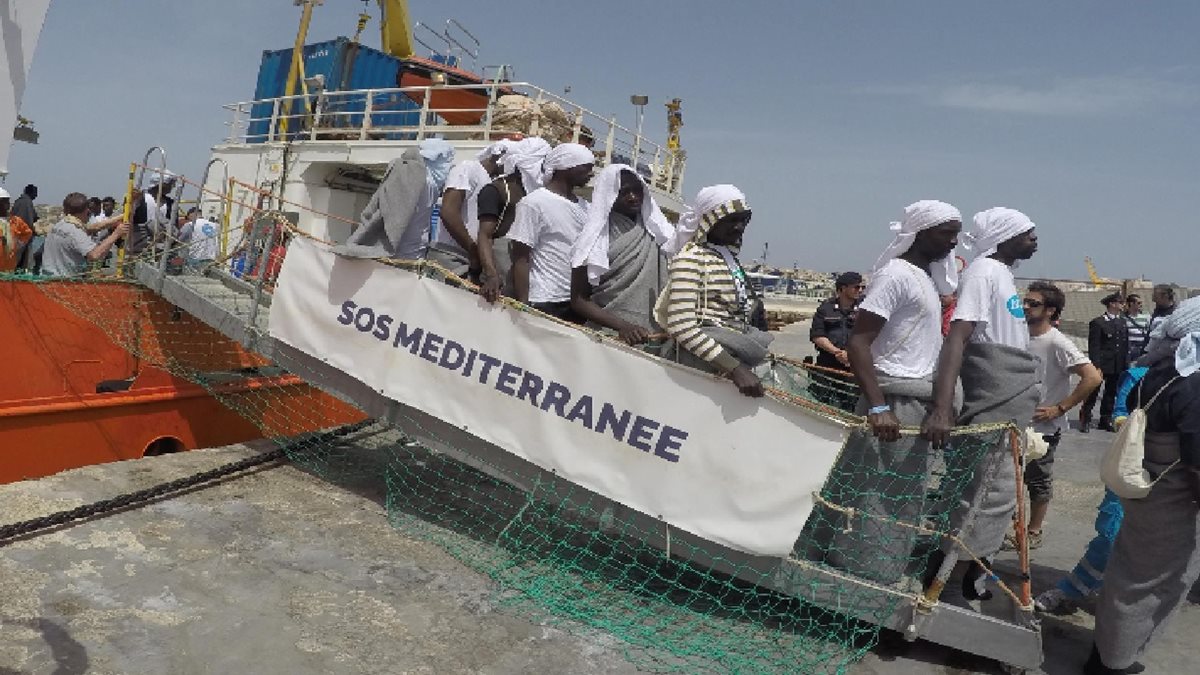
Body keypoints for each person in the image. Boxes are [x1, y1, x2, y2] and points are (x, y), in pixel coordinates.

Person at [807, 200, 962, 582]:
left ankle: (875, 564)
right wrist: (878, 408)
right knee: (878, 494)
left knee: (899, 495)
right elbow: (860, 344)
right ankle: (865, 570)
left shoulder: (924, 278)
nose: (953, 242)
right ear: (922, 232)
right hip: (893, 400)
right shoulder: (896, 275)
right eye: (947, 233)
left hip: (912, 399)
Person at [922, 207, 1042, 606]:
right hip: (994, 398)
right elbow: (959, 336)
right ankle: (946, 583)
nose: (1035, 239)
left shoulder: (1003, 274)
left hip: (1010, 399)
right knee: (980, 495)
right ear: (1005, 236)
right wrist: (943, 406)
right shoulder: (983, 271)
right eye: (1028, 233)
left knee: (996, 495)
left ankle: (967, 574)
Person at [1088, 296, 1200, 675]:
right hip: (1173, 502)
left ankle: (1104, 654)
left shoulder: (1156, 370)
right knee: (1153, 583)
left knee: (1127, 572)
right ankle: (1115, 663)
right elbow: (1196, 459)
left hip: (1145, 490)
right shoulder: (1192, 382)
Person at [1003, 281, 1101, 550]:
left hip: (1041, 428)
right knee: (1008, 478)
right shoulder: (1017, 334)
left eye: (1033, 304)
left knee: (1037, 480)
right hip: (1013, 422)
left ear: (1050, 310)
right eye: (1025, 301)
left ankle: (1033, 531)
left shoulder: (1057, 341)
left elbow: (1092, 377)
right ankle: (1008, 527)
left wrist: (1060, 408)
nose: (1026, 307)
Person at [660, 185, 770, 398]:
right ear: (710, 220)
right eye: (730, 220)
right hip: (701, 366)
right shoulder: (690, 258)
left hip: (729, 356)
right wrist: (735, 369)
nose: (739, 227)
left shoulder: (728, 259)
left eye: (743, 220)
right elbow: (681, 326)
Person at [568, 164, 675, 343]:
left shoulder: (660, 233)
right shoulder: (592, 239)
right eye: (624, 192)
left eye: (637, 191)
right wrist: (623, 326)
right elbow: (578, 300)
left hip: (654, 336)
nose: (633, 198)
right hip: (608, 336)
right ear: (609, 195)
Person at [507, 143, 594, 321]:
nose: (591, 173)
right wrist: (522, 305)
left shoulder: (586, 207)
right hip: (542, 300)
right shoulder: (534, 203)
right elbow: (520, 257)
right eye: (586, 167)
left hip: (575, 301)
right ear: (566, 167)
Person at [336, 139, 455, 264]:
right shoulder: (421, 179)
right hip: (404, 253)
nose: (447, 166)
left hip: (412, 251)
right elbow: (397, 214)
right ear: (436, 158)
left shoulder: (427, 181)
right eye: (446, 161)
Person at [476, 137, 551, 302]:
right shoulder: (496, 190)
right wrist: (492, 275)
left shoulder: (537, 195)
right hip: (501, 270)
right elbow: (485, 235)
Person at [438, 140, 514, 280]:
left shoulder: (491, 181)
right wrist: (473, 249)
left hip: (470, 257)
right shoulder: (468, 168)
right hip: (452, 256)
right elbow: (448, 211)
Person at [806, 272, 863, 410]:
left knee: (851, 406)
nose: (860, 290)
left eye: (862, 287)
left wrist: (850, 354)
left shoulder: (865, 309)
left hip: (854, 368)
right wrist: (838, 352)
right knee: (821, 404)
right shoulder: (825, 308)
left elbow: (871, 335)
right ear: (843, 288)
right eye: (856, 287)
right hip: (827, 365)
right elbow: (817, 335)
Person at [41, 192, 129, 276]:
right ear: (86, 210)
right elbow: (94, 255)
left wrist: (121, 216)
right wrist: (116, 234)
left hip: (47, 277)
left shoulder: (61, 224)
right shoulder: (75, 231)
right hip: (65, 282)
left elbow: (93, 228)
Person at [1081, 293, 1130, 433]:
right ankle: (1086, 417)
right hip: (1102, 364)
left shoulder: (1122, 322)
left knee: (1110, 393)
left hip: (1117, 364)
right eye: (1120, 302)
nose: (1122, 305)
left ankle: (1105, 418)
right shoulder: (1098, 322)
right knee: (1093, 392)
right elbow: (1094, 346)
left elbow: (1125, 345)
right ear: (1112, 304)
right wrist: (1096, 366)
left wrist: (1125, 364)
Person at [0, 186, 34, 272]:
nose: (7, 205)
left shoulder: (15, 221)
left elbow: (27, 233)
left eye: (7, 202)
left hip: (9, 267)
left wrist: (17, 244)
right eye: (4, 202)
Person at [13, 184, 40, 272]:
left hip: (15, 236)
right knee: (22, 263)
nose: (36, 196)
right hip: (23, 237)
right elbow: (28, 220)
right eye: (35, 193)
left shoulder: (18, 201)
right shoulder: (27, 202)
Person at [1123, 294, 1150, 361]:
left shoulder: (1146, 317)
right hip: (1129, 349)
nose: (1141, 305)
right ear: (1131, 304)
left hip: (1142, 348)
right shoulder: (1123, 318)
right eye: (1139, 303)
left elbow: (1149, 332)